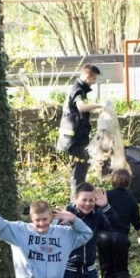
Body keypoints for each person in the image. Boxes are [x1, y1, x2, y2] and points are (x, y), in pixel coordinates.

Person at [96, 169, 140, 278]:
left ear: (112, 181)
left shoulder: (105, 196)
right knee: (122, 269)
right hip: (121, 238)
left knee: (107, 271)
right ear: (129, 182)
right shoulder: (131, 199)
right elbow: (137, 223)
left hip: (103, 237)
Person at [57, 64, 103, 196]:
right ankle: (76, 201)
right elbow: (81, 107)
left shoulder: (79, 89)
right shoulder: (78, 90)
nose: (94, 82)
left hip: (75, 139)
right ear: (88, 76)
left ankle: (78, 199)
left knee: (81, 169)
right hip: (74, 141)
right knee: (79, 172)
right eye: (94, 79)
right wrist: (99, 105)